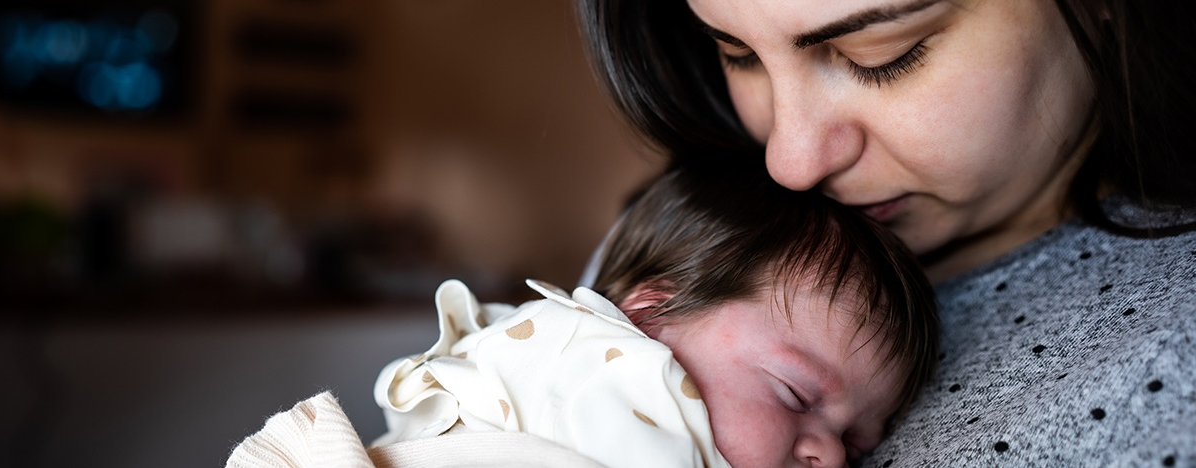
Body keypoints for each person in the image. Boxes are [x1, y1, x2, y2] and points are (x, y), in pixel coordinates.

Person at [575, 0, 1196, 466]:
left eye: (881, 55)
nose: (791, 161)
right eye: (737, 52)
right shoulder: (695, 235)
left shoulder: (1171, 359)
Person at [372, 166, 938, 468]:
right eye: (794, 395)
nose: (833, 454)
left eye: (857, 444)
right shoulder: (587, 371)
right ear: (649, 314)